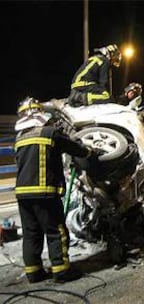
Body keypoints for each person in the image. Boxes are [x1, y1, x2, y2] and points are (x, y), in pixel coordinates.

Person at [14, 97, 97, 283]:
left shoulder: (20, 138)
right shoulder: (50, 133)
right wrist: (90, 152)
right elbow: (74, 147)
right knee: (55, 230)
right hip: (44, 192)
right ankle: (61, 270)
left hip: (22, 194)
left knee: (31, 233)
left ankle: (34, 273)